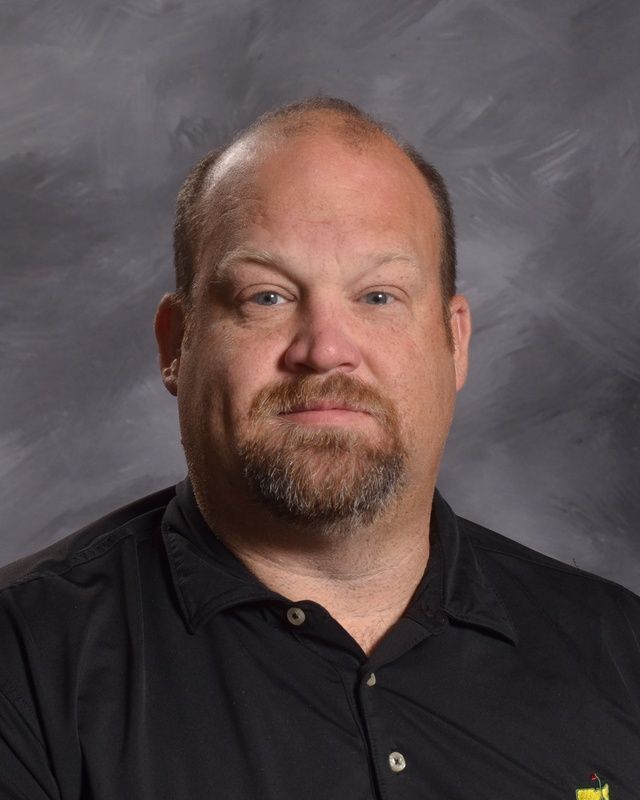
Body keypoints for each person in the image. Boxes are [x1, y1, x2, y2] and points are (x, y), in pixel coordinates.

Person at [0, 97, 638, 799]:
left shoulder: (620, 653)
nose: (326, 349)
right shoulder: (23, 661)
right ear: (175, 345)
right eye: (266, 297)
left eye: (379, 297)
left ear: (454, 342)